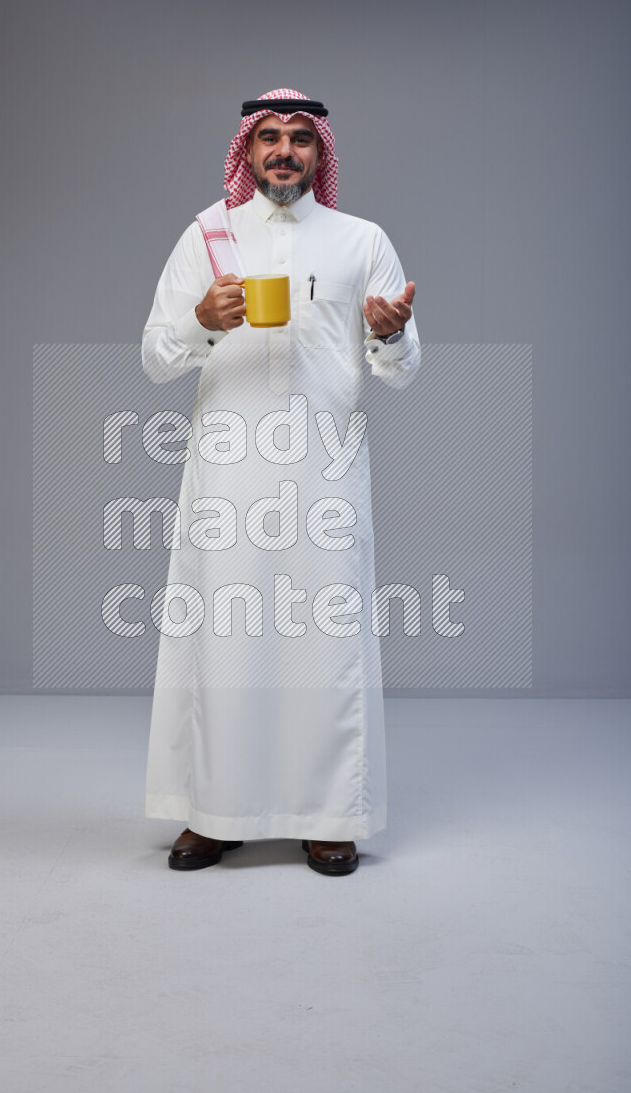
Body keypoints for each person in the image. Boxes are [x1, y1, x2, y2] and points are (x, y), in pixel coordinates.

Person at [140, 88, 420, 875]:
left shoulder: (363, 240)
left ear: (321, 153)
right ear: (248, 149)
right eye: (269, 137)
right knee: (224, 641)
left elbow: (402, 369)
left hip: (325, 474)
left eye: (301, 138)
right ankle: (215, 811)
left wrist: (391, 335)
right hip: (228, 474)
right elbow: (155, 356)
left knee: (321, 641)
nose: (285, 151)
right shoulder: (209, 234)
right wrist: (202, 318)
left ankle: (329, 814)